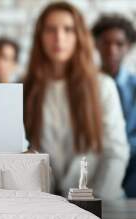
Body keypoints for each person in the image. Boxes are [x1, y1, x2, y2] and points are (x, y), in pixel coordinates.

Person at [24, 2, 129, 199]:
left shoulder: (102, 86)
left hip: (100, 202)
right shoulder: (26, 88)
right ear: (40, 37)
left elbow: (115, 153)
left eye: (68, 30)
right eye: (50, 30)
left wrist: (94, 204)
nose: (59, 38)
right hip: (44, 205)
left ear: (79, 36)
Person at [92, 14, 136, 198]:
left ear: (129, 47)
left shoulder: (134, 87)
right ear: (96, 44)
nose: (112, 50)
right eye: (106, 43)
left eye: (119, 44)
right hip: (95, 168)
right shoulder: (87, 87)